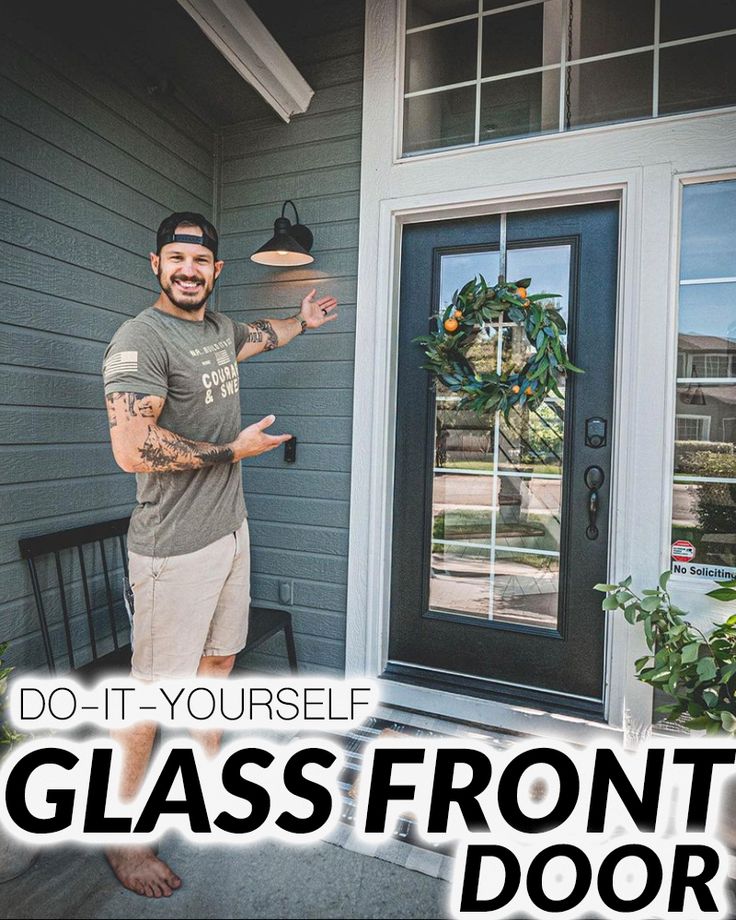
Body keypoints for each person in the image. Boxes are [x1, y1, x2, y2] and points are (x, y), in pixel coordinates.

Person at [101, 211, 338, 897]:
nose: (187, 270)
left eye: (199, 261)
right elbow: (130, 447)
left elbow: (263, 336)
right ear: (156, 265)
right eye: (175, 258)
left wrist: (303, 321)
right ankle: (123, 838)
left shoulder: (217, 330)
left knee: (218, 663)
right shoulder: (140, 340)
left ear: (216, 270)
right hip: (172, 549)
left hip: (229, 530)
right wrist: (229, 452)